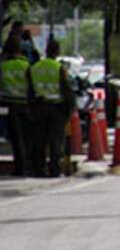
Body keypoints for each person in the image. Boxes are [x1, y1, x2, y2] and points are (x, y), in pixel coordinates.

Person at [29, 37, 74, 178]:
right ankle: (55, 169)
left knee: (39, 140)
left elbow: (29, 90)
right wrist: (70, 108)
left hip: (39, 107)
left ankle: (39, 169)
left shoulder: (34, 67)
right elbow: (66, 89)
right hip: (56, 109)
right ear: (57, 52)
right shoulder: (59, 68)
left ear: (46, 51)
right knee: (56, 141)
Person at [0, 36, 32, 176]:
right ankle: (28, 165)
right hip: (26, 104)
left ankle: (20, 167)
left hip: (11, 104)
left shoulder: (4, 66)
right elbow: (32, 86)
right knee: (27, 137)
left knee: (16, 138)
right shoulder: (27, 66)